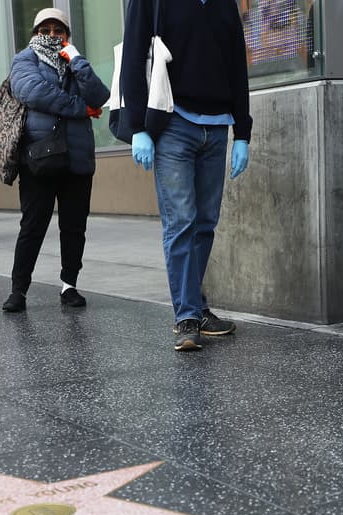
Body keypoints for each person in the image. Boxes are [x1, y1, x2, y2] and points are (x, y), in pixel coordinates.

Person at [122, 0, 251, 351]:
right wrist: (137, 127)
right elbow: (134, 54)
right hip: (173, 123)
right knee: (181, 222)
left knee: (205, 223)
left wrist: (243, 133)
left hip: (217, 125)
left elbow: (236, 64)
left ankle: (194, 305)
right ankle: (188, 317)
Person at [1, 9, 109, 313]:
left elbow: (99, 96)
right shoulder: (25, 59)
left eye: (58, 30)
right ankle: (18, 290)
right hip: (39, 157)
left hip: (77, 158)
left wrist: (76, 60)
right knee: (32, 225)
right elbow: (33, 92)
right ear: (36, 33)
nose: (52, 35)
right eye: (45, 29)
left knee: (74, 226)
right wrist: (79, 108)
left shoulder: (76, 61)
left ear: (67, 35)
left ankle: (69, 285)